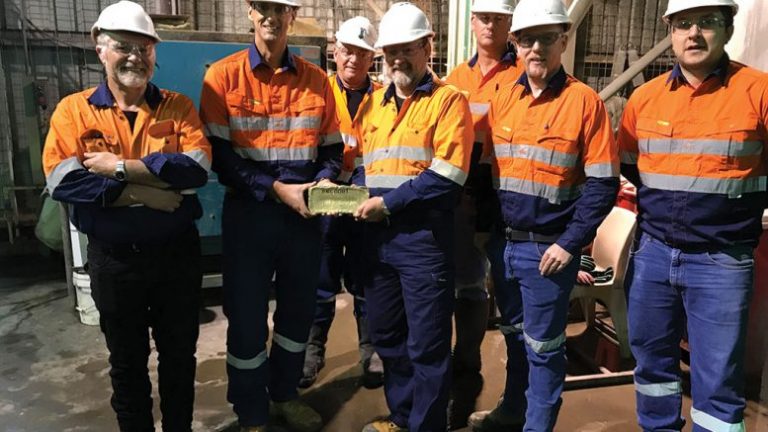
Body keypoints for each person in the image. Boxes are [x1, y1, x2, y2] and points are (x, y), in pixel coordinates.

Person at [41, 2, 211, 430]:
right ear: (100, 49)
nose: (135, 56)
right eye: (123, 46)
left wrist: (120, 168)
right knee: (127, 361)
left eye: (144, 48)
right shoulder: (73, 111)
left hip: (176, 258)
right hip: (115, 261)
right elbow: (64, 183)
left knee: (179, 357)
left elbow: (195, 171)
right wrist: (144, 192)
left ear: (154, 53)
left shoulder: (178, 107)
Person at [617, 0, 768, 430]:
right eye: (683, 23)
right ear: (670, 32)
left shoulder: (758, 92)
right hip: (653, 254)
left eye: (707, 22)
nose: (694, 33)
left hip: (722, 260)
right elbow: (631, 166)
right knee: (652, 368)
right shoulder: (644, 99)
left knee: (717, 382)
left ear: (728, 28)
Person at [469, 0, 619, 430]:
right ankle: (512, 412)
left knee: (544, 350)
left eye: (547, 38)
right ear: (515, 44)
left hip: (548, 253)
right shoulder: (502, 99)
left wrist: (569, 244)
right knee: (516, 339)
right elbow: (485, 175)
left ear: (563, 41)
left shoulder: (584, 102)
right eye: (527, 39)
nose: (536, 48)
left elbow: (603, 184)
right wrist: (486, 235)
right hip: (504, 246)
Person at [199, 0, 342, 431]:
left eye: (281, 8)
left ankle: (284, 395)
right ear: (249, 11)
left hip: (303, 218)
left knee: (297, 313)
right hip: (251, 215)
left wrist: (323, 182)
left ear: (291, 16)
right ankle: (251, 412)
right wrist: (276, 189)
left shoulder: (317, 81)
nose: (271, 16)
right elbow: (220, 156)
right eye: (263, 6)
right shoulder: (222, 77)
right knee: (246, 317)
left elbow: (332, 150)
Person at [352, 3, 473, 431]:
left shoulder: (448, 102)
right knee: (387, 337)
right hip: (377, 242)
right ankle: (403, 418)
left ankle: (427, 426)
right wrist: (348, 193)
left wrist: (387, 204)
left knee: (428, 346)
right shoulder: (373, 105)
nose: (398, 59)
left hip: (423, 242)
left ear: (428, 47)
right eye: (391, 52)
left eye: (407, 49)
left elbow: (449, 176)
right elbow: (363, 164)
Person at [299, 16, 385, 390]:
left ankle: (372, 352)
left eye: (362, 53)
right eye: (348, 51)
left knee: (367, 278)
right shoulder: (318, 91)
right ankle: (312, 350)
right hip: (326, 198)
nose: (354, 59)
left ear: (372, 58)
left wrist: (364, 190)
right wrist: (324, 184)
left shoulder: (384, 98)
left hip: (365, 200)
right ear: (335, 51)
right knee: (321, 277)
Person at [443, 0, 523, 380]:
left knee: (512, 291)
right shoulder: (456, 78)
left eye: (498, 19)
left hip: (511, 195)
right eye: (484, 18)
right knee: (469, 282)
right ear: (473, 22)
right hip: (466, 196)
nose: (490, 26)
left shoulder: (525, 74)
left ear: (509, 24)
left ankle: (518, 386)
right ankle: (467, 358)